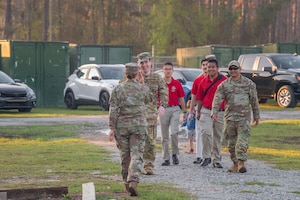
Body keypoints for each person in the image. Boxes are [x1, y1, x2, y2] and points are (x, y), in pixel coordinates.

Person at [108, 62, 152, 196]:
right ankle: (133, 180)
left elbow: (113, 109)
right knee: (137, 154)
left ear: (125, 74)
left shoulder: (117, 89)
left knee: (125, 155)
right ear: (138, 73)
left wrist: (112, 127)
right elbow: (148, 100)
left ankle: (126, 185)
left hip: (122, 126)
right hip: (138, 125)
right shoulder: (143, 88)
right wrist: (142, 83)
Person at [211, 60, 260, 173]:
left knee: (242, 141)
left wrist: (256, 115)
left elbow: (254, 101)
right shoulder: (224, 85)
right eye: (231, 69)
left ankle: (241, 163)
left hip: (243, 118)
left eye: (235, 68)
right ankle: (235, 163)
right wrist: (214, 112)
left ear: (240, 69)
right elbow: (217, 99)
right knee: (231, 143)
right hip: (230, 118)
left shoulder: (249, 84)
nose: (233, 71)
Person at [136, 52, 168, 175]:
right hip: (136, 116)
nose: (144, 65)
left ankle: (148, 165)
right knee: (136, 142)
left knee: (150, 142)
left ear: (150, 62)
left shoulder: (157, 78)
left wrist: (162, 106)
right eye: (141, 63)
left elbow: (164, 92)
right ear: (138, 64)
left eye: (146, 62)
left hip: (150, 116)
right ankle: (135, 166)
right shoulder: (134, 78)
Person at [196, 58, 227, 168]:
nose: (210, 69)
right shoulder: (203, 82)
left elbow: (228, 97)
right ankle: (206, 156)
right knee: (206, 132)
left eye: (213, 67)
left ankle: (217, 159)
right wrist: (198, 111)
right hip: (206, 110)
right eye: (209, 67)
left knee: (218, 135)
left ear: (217, 68)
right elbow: (199, 98)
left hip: (220, 111)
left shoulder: (224, 80)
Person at [160, 62, 187, 166]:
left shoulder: (177, 84)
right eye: (166, 69)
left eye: (170, 69)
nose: (168, 71)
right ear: (163, 70)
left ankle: (175, 154)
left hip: (175, 108)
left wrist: (184, 112)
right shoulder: (160, 83)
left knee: (174, 132)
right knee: (164, 135)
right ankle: (166, 158)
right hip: (163, 109)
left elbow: (181, 98)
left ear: (172, 71)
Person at [189, 58, 209, 164]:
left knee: (211, 133)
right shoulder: (197, 80)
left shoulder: (215, 79)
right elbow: (193, 97)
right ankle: (199, 155)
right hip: (200, 108)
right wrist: (191, 110)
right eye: (203, 65)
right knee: (199, 131)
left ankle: (210, 155)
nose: (205, 67)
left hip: (211, 108)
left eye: (207, 65)